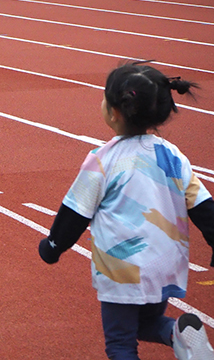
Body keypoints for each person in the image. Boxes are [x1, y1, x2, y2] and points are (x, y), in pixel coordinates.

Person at [38, 62, 214, 360]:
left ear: (114, 112)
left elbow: (75, 213)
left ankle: (177, 335)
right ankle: (178, 333)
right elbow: (203, 206)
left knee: (120, 343)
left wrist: (52, 247)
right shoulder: (172, 155)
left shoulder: (102, 160)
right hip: (165, 264)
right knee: (145, 323)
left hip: (122, 269)